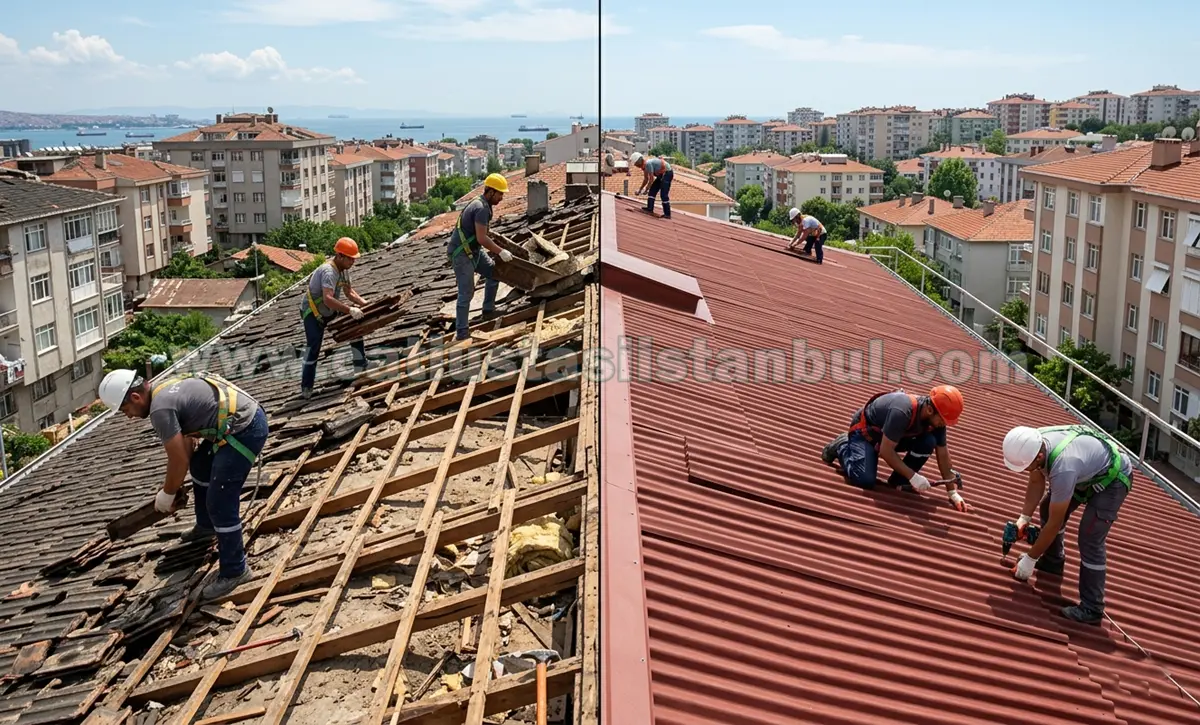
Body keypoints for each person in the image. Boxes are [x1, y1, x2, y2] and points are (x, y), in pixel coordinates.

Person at [99, 368, 269, 600]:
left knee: (220, 502)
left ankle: (235, 571)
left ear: (136, 397)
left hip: (244, 430)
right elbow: (187, 448)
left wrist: (167, 494)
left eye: (125, 410)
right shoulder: (165, 389)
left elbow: (178, 459)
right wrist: (171, 485)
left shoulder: (160, 409)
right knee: (200, 465)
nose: (128, 416)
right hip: (241, 421)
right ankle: (206, 526)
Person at [1001, 424, 1132, 624]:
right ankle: (1053, 561)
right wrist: (1024, 518)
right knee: (1047, 507)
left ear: (1038, 458)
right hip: (1086, 471)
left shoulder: (1063, 466)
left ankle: (1092, 608)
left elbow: (1055, 523)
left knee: (1090, 538)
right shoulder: (1034, 443)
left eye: (1025, 467)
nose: (1025, 470)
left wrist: (1030, 560)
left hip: (1113, 479)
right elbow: (1036, 482)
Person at [821, 386, 968, 511]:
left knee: (929, 441)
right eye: (943, 421)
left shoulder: (936, 419)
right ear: (930, 410)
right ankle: (842, 446)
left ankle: (899, 480)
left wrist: (952, 493)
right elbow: (886, 451)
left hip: (892, 437)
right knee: (864, 480)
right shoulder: (903, 411)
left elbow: (942, 453)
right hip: (865, 434)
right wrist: (913, 476)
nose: (944, 425)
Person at [448, 173, 514, 345]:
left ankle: (488, 310)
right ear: (490, 192)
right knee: (466, 293)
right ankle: (462, 332)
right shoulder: (481, 208)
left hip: (474, 251)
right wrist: (501, 251)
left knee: (493, 273)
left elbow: (483, 235)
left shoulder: (484, 204)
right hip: (461, 254)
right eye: (500, 193)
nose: (501, 197)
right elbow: (482, 238)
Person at [300, 237, 370, 398]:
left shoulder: (344, 271)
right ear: (339, 256)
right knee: (313, 348)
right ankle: (306, 387)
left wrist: (365, 304)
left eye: (354, 258)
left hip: (329, 311)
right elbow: (328, 299)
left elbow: (349, 293)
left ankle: (361, 366)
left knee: (355, 327)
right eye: (350, 258)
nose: (353, 262)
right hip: (313, 314)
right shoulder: (328, 272)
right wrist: (349, 310)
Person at [630, 152, 674, 219]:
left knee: (663, 194)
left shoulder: (648, 164)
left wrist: (646, 189)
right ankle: (650, 208)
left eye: (636, 164)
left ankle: (667, 214)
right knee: (652, 191)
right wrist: (640, 189)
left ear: (638, 162)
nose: (636, 165)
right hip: (661, 175)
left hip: (667, 173)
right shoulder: (644, 166)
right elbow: (645, 179)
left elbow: (651, 179)